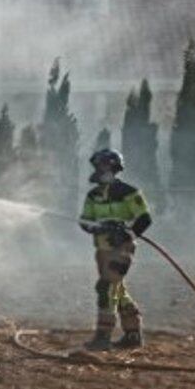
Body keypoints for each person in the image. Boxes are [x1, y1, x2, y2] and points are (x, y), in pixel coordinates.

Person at [78, 147, 153, 349]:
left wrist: (127, 234)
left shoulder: (129, 192)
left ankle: (103, 336)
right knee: (117, 289)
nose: (98, 169)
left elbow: (145, 218)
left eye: (101, 165)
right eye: (97, 165)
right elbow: (84, 221)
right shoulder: (93, 196)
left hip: (122, 249)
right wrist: (97, 226)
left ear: (113, 167)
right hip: (101, 250)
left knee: (106, 287)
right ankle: (132, 335)